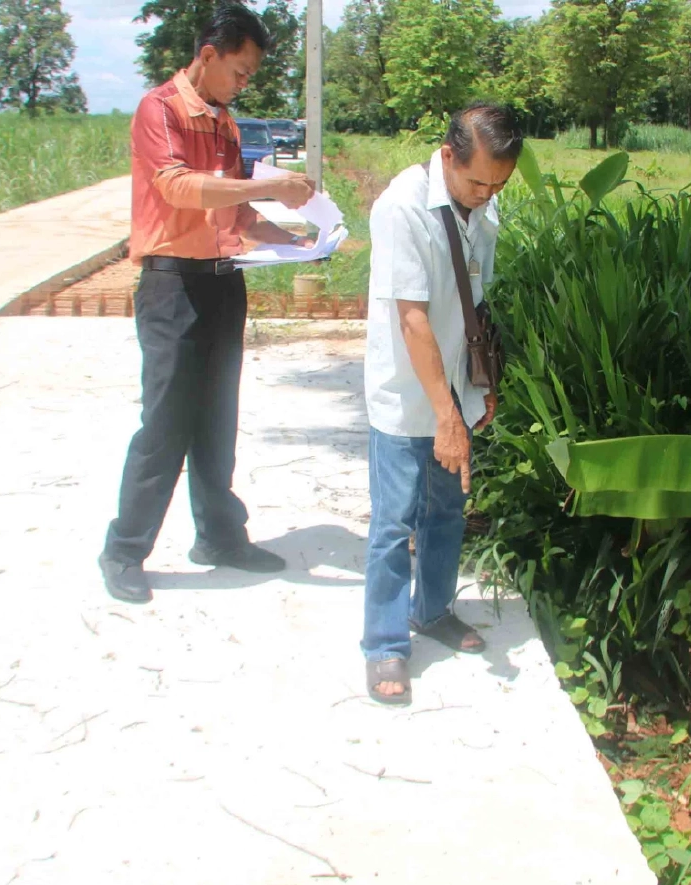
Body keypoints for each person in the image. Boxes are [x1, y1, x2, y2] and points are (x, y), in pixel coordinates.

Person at [99, 3, 317, 604]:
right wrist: (268, 183)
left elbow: (236, 212)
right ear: (208, 56)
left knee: (218, 417)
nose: (244, 84)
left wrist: (298, 240)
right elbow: (175, 186)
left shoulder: (223, 122)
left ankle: (219, 537)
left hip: (224, 282)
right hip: (173, 286)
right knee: (166, 423)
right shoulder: (159, 110)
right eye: (240, 72)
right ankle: (124, 549)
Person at [360, 105, 523, 704]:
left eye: (498, 185)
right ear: (448, 156)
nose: (486, 195)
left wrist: (480, 384)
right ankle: (384, 642)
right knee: (395, 519)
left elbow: (473, 297)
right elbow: (412, 318)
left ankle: (431, 610)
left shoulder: (482, 205)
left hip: (455, 379)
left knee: (448, 512)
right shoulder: (401, 208)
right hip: (407, 391)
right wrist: (446, 417)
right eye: (478, 182)